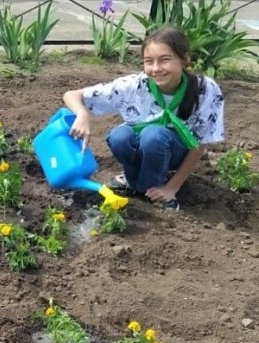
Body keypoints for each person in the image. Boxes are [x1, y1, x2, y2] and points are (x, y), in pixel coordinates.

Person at [62, 25, 225, 210]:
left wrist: (172, 188)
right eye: (149, 61)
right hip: (145, 142)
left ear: (184, 59)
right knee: (119, 137)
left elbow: (201, 143)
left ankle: (155, 189)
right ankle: (133, 181)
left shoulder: (205, 90)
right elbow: (72, 95)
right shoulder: (135, 85)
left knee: (153, 134)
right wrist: (83, 115)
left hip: (176, 151)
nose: (156, 69)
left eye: (165, 60)